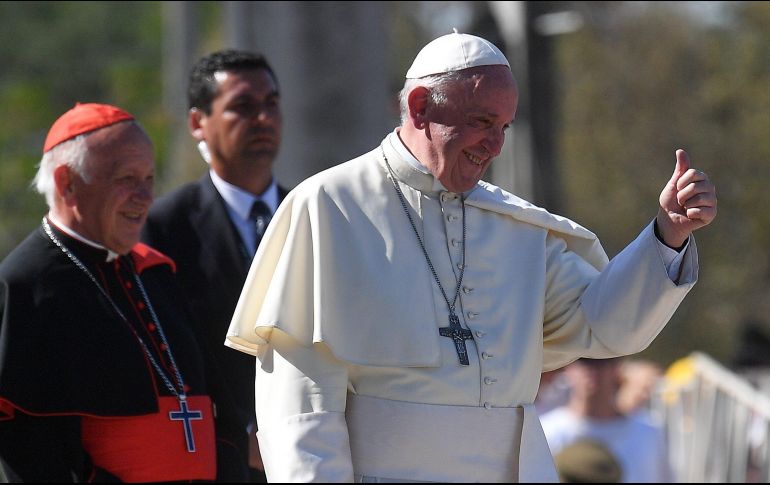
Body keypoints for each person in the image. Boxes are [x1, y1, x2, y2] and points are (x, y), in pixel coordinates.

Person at [224, 31, 718, 482]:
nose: (496, 145)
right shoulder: (328, 207)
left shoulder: (517, 228)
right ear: (419, 108)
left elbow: (604, 325)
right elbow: (300, 403)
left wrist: (668, 234)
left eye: (504, 126)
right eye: (482, 122)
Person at [0, 103, 243, 481]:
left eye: (149, 178)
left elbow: (217, 403)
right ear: (67, 183)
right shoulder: (26, 285)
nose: (145, 196)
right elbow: (32, 446)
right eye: (126, 178)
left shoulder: (156, 271)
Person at [141, 49, 288, 481]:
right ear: (197, 123)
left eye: (271, 103)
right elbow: (167, 357)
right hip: (219, 460)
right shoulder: (165, 229)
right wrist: (238, 435)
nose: (263, 118)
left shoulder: (310, 214)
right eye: (242, 106)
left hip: (313, 453)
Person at [541, 358, 673, 483]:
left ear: (617, 367)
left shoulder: (648, 431)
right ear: (568, 368)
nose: (592, 371)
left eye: (601, 362)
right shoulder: (546, 432)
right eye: (584, 361)